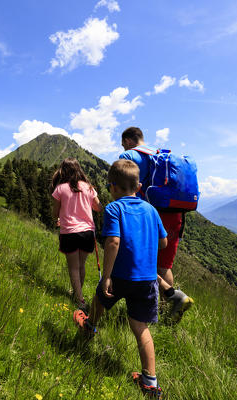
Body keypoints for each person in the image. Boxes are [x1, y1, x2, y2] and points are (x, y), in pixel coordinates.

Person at [74, 159, 166, 397]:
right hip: (146, 280)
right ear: (139, 187)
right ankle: (150, 383)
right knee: (140, 327)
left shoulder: (114, 208)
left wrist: (106, 276)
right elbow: (164, 242)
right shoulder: (151, 210)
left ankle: (89, 326)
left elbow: (113, 242)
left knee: (100, 300)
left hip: (120, 275)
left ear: (112, 187)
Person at [119, 126, 193, 322]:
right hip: (175, 214)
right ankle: (168, 307)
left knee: (141, 259)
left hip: (150, 215)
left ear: (127, 141)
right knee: (164, 265)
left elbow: (121, 182)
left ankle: (149, 310)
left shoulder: (129, 155)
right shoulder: (160, 155)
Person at [51, 158, 102, 312]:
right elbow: (99, 208)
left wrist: (58, 219)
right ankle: (77, 293)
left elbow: (54, 212)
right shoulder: (88, 187)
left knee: (73, 267)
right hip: (87, 232)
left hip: (69, 232)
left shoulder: (60, 189)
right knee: (81, 265)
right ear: (79, 170)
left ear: (63, 171)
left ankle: (80, 300)